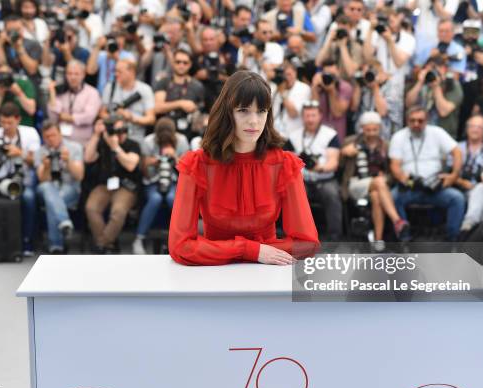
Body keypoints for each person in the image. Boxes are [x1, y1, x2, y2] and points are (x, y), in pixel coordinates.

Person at [168, 70, 319, 266]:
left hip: (267, 271)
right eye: (243, 110)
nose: (254, 121)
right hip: (214, 273)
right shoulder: (197, 164)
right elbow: (180, 247)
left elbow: (307, 244)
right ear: (227, 112)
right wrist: (251, 250)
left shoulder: (284, 164)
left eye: (261, 111)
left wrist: (259, 253)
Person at [389, 106, 465, 242]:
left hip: (434, 187)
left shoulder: (437, 132)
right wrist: (402, 177)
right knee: (393, 198)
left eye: (420, 121)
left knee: (457, 198)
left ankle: (452, 240)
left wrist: (454, 175)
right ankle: (404, 239)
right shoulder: (399, 136)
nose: (416, 124)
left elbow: (457, 152)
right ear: (407, 121)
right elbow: (394, 165)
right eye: (412, 121)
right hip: (410, 187)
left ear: (427, 120)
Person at [0, 102, 40, 256]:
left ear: (18, 119)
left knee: (29, 199)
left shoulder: (30, 133)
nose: (6, 126)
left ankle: (28, 242)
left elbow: (36, 162)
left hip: (22, 180)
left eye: (9, 123)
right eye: (2, 122)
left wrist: (20, 153)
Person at [341, 112, 410, 247]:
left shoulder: (387, 145)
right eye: (368, 130)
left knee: (376, 195)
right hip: (356, 183)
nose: (372, 133)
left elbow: (391, 173)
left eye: (375, 130)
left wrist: (385, 178)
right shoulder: (351, 142)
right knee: (379, 183)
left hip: (379, 186)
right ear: (362, 128)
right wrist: (343, 153)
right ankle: (397, 221)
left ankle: (378, 241)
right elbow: (339, 166)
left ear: (380, 128)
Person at [284, 100, 342, 241]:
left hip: (325, 177)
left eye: (313, 115)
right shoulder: (293, 136)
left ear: (320, 116)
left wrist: (319, 168)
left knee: (332, 195)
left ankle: (334, 237)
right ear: (303, 117)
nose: (310, 119)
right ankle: (298, 235)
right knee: (292, 195)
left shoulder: (330, 134)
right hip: (302, 179)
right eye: (307, 116)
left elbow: (333, 162)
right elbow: (286, 161)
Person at [133, 117, 190, 254]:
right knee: (155, 199)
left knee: (173, 199)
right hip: (153, 180)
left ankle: (183, 238)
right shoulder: (148, 141)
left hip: (174, 180)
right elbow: (144, 172)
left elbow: (188, 170)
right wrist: (152, 162)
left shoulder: (181, 141)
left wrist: (175, 158)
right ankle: (139, 238)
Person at [84, 117, 141, 253]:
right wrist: (97, 135)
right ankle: (109, 244)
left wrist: (115, 147)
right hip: (105, 185)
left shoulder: (132, 144)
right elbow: (88, 157)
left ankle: (102, 244)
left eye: (122, 130)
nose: (119, 133)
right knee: (91, 208)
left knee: (118, 211)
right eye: (115, 130)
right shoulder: (103, 143)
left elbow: (130, 165)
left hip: (126, 187)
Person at [35, 121, 84, 254]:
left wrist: (68, 162)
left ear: (60, 134)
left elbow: (79, 176)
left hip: (70, 187)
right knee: (47, 189)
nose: (51, 139)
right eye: (47, 136)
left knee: (53, 201)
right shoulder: (40, 152)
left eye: (53, 135)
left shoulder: (74, 147)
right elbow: (42, 180)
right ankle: (64, 222)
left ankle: (56, 246)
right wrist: (46, 166)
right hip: (48, 187)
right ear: (43, 137)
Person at [48, 60, 102, 147]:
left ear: (83, 75)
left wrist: (68, 117)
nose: (73, 77)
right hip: (61, 142)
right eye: (69, 74)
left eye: (76, 74)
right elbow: (53, 118)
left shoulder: (92, 92)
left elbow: (89, 117)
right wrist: (52, 93)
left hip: (82, 142)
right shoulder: (61, 91)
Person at [100, 58, 155, 144]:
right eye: (115, 71)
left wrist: (132, 118)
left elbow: (151, 119)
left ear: (131, 72)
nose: (116, 74)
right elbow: (102, 113)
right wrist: (115, 119)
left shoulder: (145, 89)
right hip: (113, 135)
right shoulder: (110, 87)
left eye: (119, 72)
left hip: (135, 137)